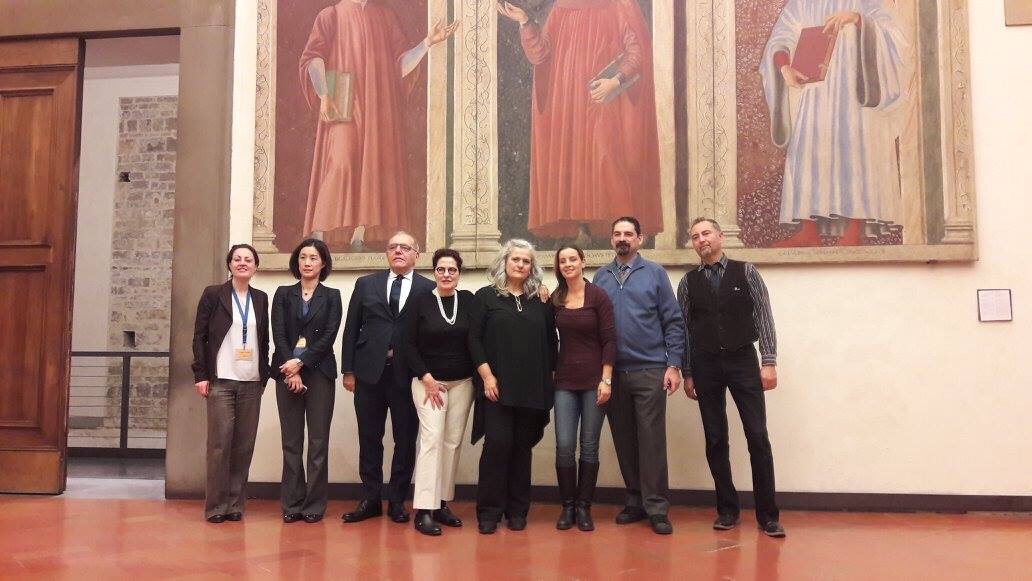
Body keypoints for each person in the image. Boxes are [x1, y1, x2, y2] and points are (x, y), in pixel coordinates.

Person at [497, 0, 663, 246]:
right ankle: (583, 229)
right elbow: (540, 54)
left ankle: (620, 230)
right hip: (568, 106)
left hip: (603, 103)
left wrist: (615, 81)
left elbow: (637, 51)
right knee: (573, 165)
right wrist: (525, 22)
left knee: (606, 160)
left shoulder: (617, 5)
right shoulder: (561, 9)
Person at [299, 1, 459, 250]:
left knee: (372, 168)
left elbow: (399, 68)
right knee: (340, 161)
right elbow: (313, 57)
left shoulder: (385, 17)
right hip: (342, 99)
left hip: (377, 108)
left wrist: (427, 43)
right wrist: (324, 93)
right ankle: (318, 237)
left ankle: (358, 237)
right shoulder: (331, 15)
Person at [760, 1, 908, 247]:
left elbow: (894, 36)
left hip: (854, 90)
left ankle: (853, 232)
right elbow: (781, 36)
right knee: (808, 153)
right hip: (815, 90)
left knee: (855, 154)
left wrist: (857, 19)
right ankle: (808, 231)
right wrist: (784, 66)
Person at [677, 217, 786, 537]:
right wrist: (687, 372)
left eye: (706, 233)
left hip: (742, 360)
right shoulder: (687, 282)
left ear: (720, 237)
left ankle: (768, 515)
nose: (701, 240)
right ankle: (727, 509)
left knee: (757, 436)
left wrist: (768, 361)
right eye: (695, 236)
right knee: (715, 438)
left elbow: (763, 315)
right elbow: (684, 330)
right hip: (705, 364)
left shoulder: (746, 271)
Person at [592, 216, 684, 535]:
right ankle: (635, 501)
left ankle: (656, 507)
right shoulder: (601, 276)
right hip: (613, 373)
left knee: (651, 440)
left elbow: (673, 321)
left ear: (640, 239)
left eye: (628, 234)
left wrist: (674, 364)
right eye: (617, 233)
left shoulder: (655, 273)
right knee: (624, 439)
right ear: (611, 239)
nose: (623, 238)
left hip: (650, 369)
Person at [340, 231, 435, 523]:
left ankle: (397, 500)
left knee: (405, 439)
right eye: (393, 247)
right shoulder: (366, 284)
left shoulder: (428, 288)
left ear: (416, 254)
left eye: (405, 247)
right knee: (370, 437)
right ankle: (370, 498)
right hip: (368, 373)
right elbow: (351, 327)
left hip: (407, 376)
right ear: (386, 253)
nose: (398, 251)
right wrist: (348, 370)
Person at [472, 239, 557, 534]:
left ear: (532, 267)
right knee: (497, 445)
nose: (520, 265)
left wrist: (550, 379)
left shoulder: (541, 301)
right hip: (497, 386)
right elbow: (474, 340)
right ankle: (489, 512)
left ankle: (518, 510)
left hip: (532, 387)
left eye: (526, 261)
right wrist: (487, 376)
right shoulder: (485, 297)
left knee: (522, 448)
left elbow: (551, 343)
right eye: (515, 260)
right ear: (504, 263)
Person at [404, 248, 485, 536]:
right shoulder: (420, 301)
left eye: (452, 270)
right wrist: (426, 378)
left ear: (459, 273)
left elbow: (479, 334)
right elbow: (407, 344)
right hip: (429, 383)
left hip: (462, 383)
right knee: (432, 440)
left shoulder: (469, 300)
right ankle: (423, 510)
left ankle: (441, 504)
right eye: (441, 269)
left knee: (451, 442)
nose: (447, 274)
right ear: (434, 272)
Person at [191, 244, 271, 523]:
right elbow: (199, 336)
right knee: (220, 445)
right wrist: (201, 375)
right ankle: (216, 506)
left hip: (251, 381)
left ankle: (235, 504)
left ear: (255, 266)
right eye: (237, 259)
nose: (242, 263)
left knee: (244, 446)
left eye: (248, 259)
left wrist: (265, 373)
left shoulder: (260, 298)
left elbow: (263, 339)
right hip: (221, 380)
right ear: (230, 264)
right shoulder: (214, 294)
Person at [271, 239, 343, 524]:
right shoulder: (283, 294)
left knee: (317, 442)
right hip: (286, 371)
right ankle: (291, 502)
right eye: (303, 257)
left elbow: (329, 336)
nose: (308, 262)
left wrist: (301, 363)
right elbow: (278, 333)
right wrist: (291, 368)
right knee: (291, 442)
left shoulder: (333, 296)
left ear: (323, 263)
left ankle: (314, 504)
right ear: (296, 262)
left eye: (313, 257)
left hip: (320, 372)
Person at [551, 245, 616, 532]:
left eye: (572, 259)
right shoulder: (555, 298)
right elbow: (545, 336)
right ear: (558, 266)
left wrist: (606, 379)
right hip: (564, 382)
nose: (568, 264)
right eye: (563, 261)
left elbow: (610, 340)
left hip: (594, 382)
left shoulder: (598, 296)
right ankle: (567, 507)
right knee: (565, 446)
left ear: (583, 262)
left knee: (589, 445)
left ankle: (584, 507)